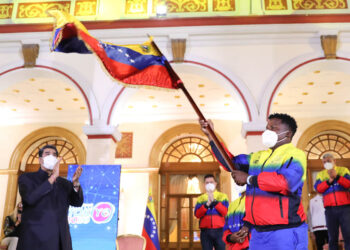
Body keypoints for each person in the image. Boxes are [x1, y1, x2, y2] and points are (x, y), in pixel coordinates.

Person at [200, 113, 308, 250]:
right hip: (258, 234)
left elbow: (285, 182)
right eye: (267, 127)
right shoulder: (258, 157)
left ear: (288, 134)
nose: (268, 132)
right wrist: (211, 136)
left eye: (273, 128)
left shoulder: (295, 155)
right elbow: (230, 163)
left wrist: (249, 179)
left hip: (285, 231)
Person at [17, 145, 84, 250]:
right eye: (47, 154)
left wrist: (75, 183)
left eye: (54, 155)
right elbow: (30, 199)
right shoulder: (27, 178)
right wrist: (53, 177)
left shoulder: (64, 183)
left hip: (61, 239)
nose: (51, 156)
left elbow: (77, 202)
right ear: (40, 159)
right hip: (36, 239)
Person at [314, 153, 350, 250]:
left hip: (345, 208)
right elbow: (318, 189)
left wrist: (337, 176)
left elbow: (348, 184)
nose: (326, 163)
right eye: (324, 162)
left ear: (334, 161)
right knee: (332, 238)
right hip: (330, 210)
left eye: (329, 161)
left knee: (348, 236)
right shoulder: (321, 174)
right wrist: (329, 181)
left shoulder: (343, 170)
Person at [194, 174, 229, 250]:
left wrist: (215, 202)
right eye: (207, 183)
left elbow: (225, 212)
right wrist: (206, 205)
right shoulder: (201, 198)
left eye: (211, 182)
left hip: (220, 231)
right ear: (204, 185)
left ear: (215, 183)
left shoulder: (223, 196)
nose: (209, 184)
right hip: (205, 232)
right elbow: (197, 214)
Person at [223, 185, 249, 250]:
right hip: (234, 247)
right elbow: (226, 228)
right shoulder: (232, 204)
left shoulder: (256, 200)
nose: (236, 182)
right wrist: (230, 237)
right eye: (233, 178)